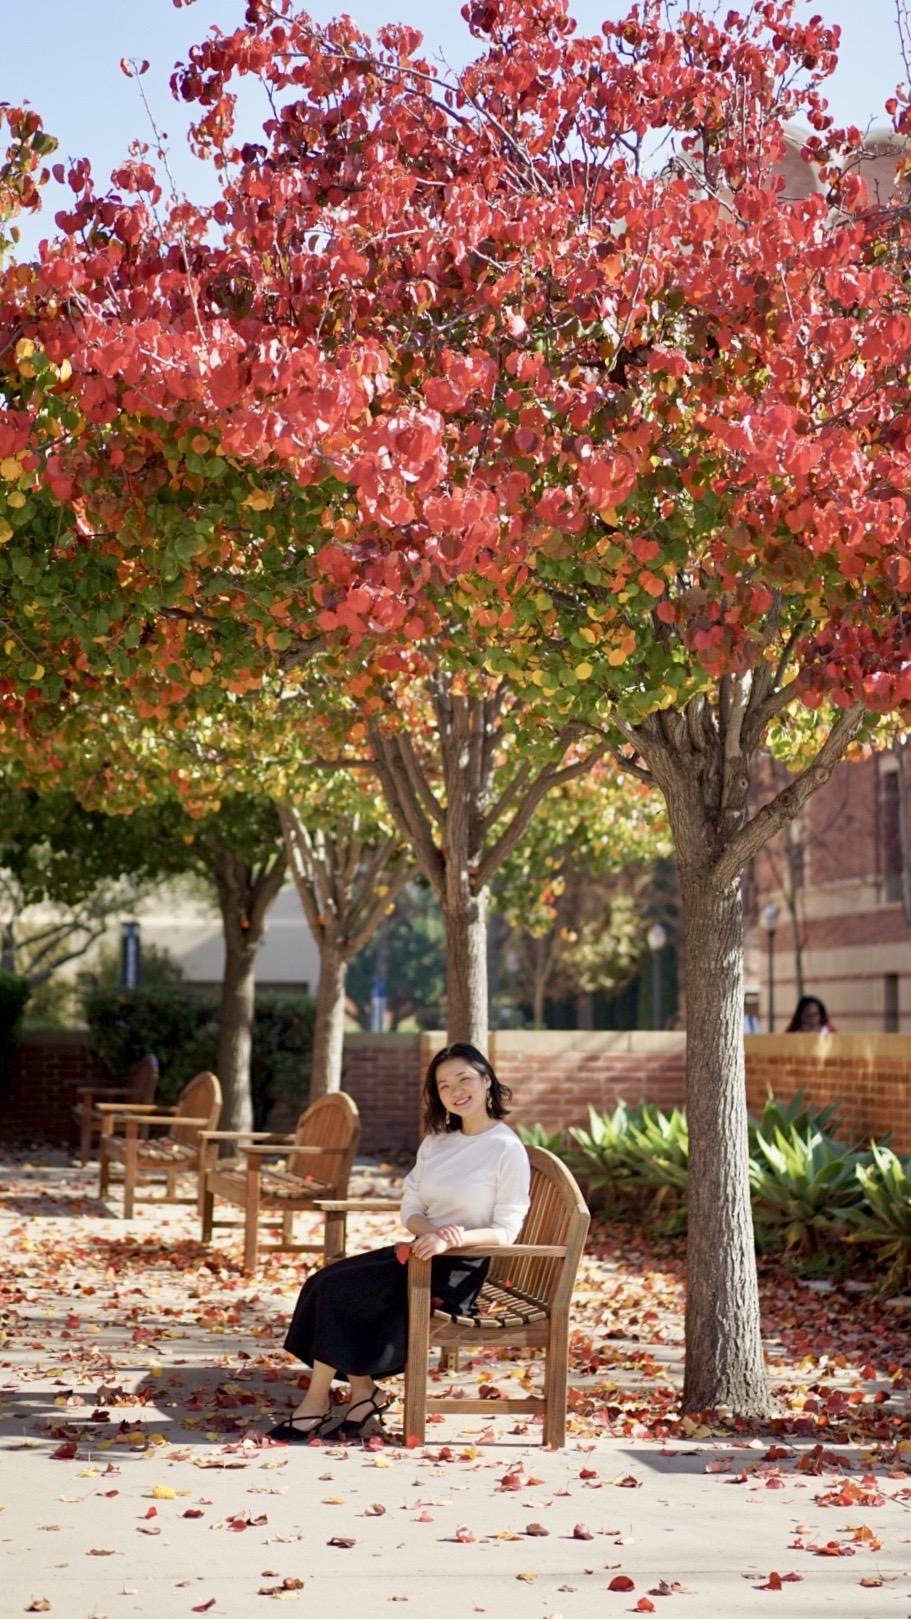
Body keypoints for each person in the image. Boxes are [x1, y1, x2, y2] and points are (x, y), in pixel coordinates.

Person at [269, 1042, 531, 1444]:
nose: (455, 1090)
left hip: (457, 1267)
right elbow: (410, 1203)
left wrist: (452, 1239)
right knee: (326, 1282)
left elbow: (508, 1228)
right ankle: (363, 1394)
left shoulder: (506, 1148)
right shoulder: (438, 1141)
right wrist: (427, 1230)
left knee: (342, 1291)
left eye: (464, 1078)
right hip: (420, 1250)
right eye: (444, 1085)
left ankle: (316, 1404)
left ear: (486, 1081)